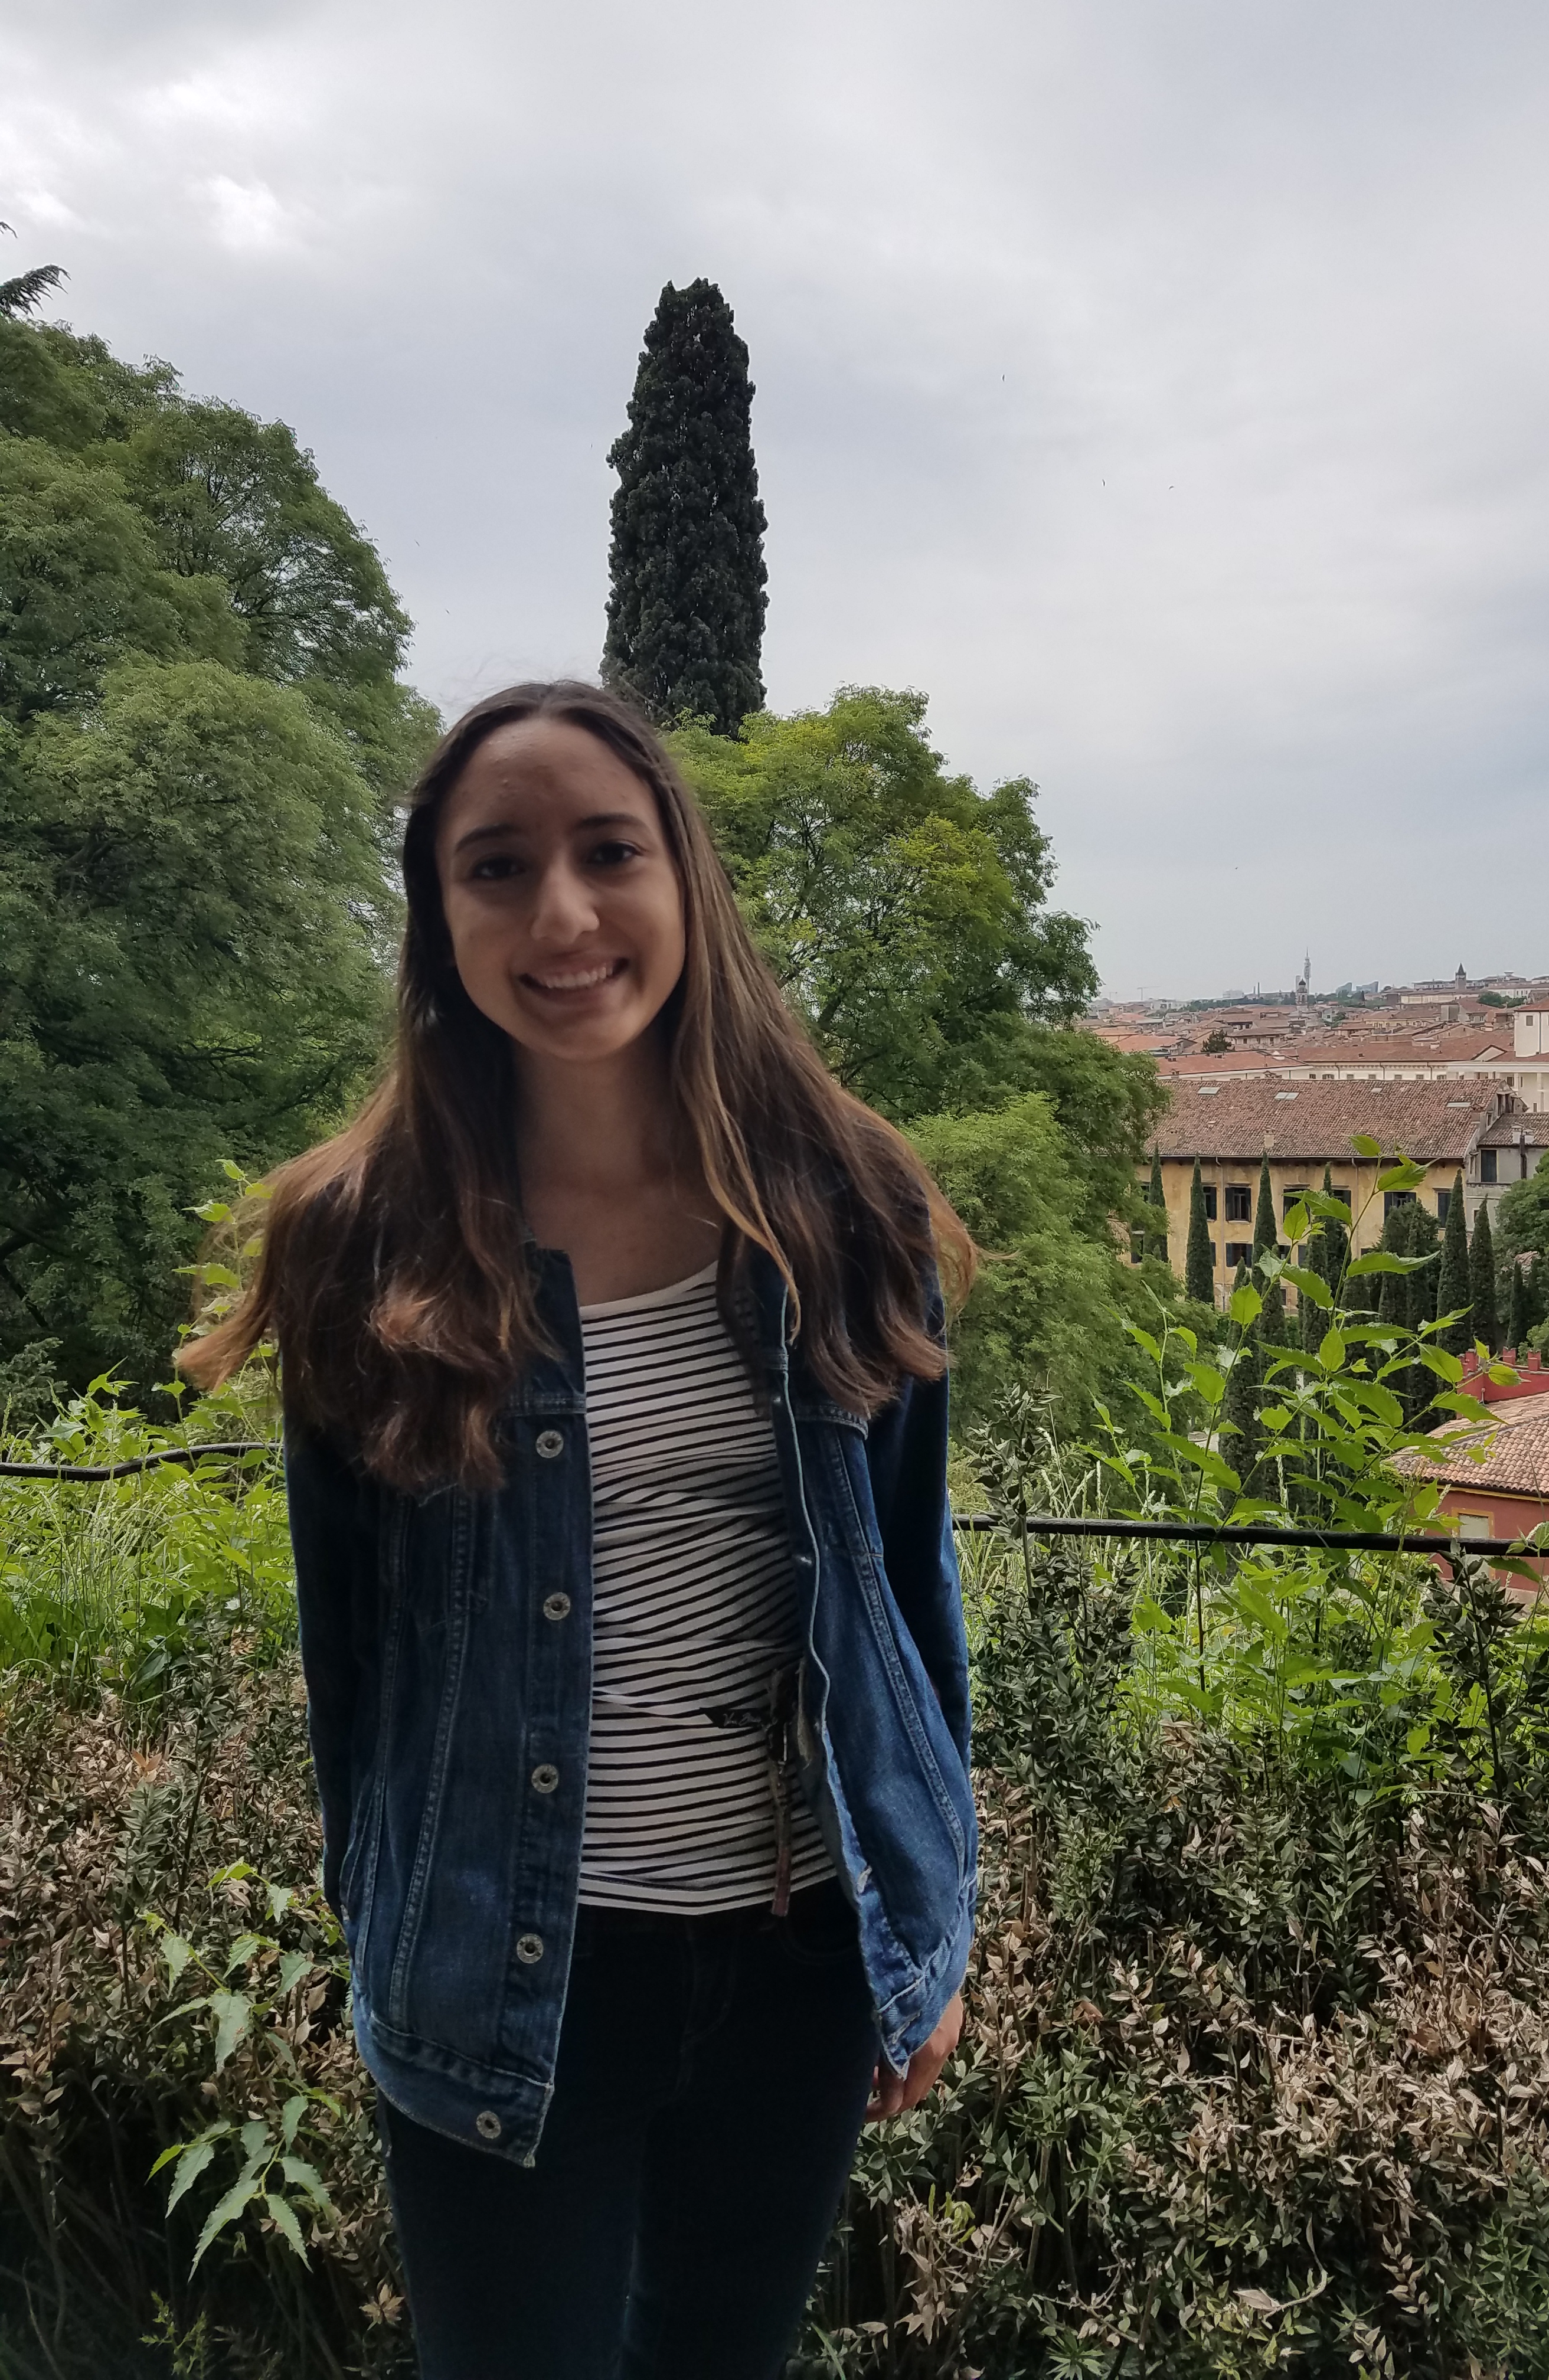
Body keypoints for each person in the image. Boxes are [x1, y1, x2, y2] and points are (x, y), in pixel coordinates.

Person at [179, 683, 978, 2379]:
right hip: (504, 1965)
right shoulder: (361, 1238)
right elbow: (356, 1670)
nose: (560, 915)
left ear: (684, 878)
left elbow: (909, 1596)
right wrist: (393, 1954)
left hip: (800, 1954)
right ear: (437, 917)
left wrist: (931, 1929)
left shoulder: (842, 1205)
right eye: (496, 867)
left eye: (608, 852)